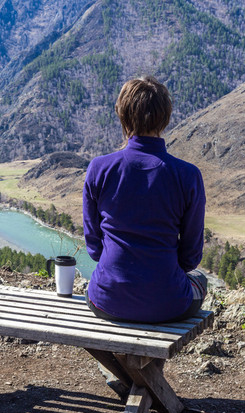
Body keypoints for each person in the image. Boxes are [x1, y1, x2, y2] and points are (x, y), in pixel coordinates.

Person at [83, 76, 207, 324]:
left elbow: (94, 248)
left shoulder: (99, 168)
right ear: (165, 118)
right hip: (168, 303)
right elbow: (191, 256)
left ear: (123, 116)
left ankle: (112, 364)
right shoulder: (188, 175)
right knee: (201, 280)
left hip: (106, 300)